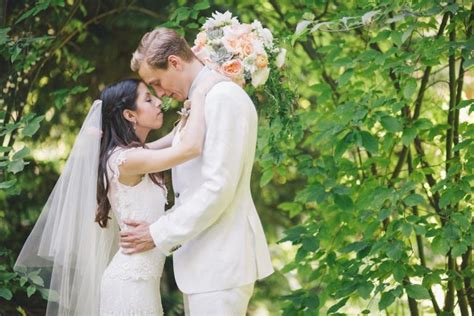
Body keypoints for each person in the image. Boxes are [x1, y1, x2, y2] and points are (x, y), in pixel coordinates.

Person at [14, 74, 226, 315]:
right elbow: (189, 148)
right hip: (129, 287)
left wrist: (191, 107)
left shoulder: (133, 154)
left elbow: (173, 141)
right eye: (148, 99)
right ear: (130, 115)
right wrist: (198, 96)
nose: (158, 102)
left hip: (143, 285)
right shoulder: (125, 160)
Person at [120, 28, 274, 315]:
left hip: (221, 264)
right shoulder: (202, 100)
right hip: (205, 264)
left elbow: (218, 187)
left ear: (176, 62)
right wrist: (114, 152)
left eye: (157, 82)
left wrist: (158, 231)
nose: (160, 94)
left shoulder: (222, 98)